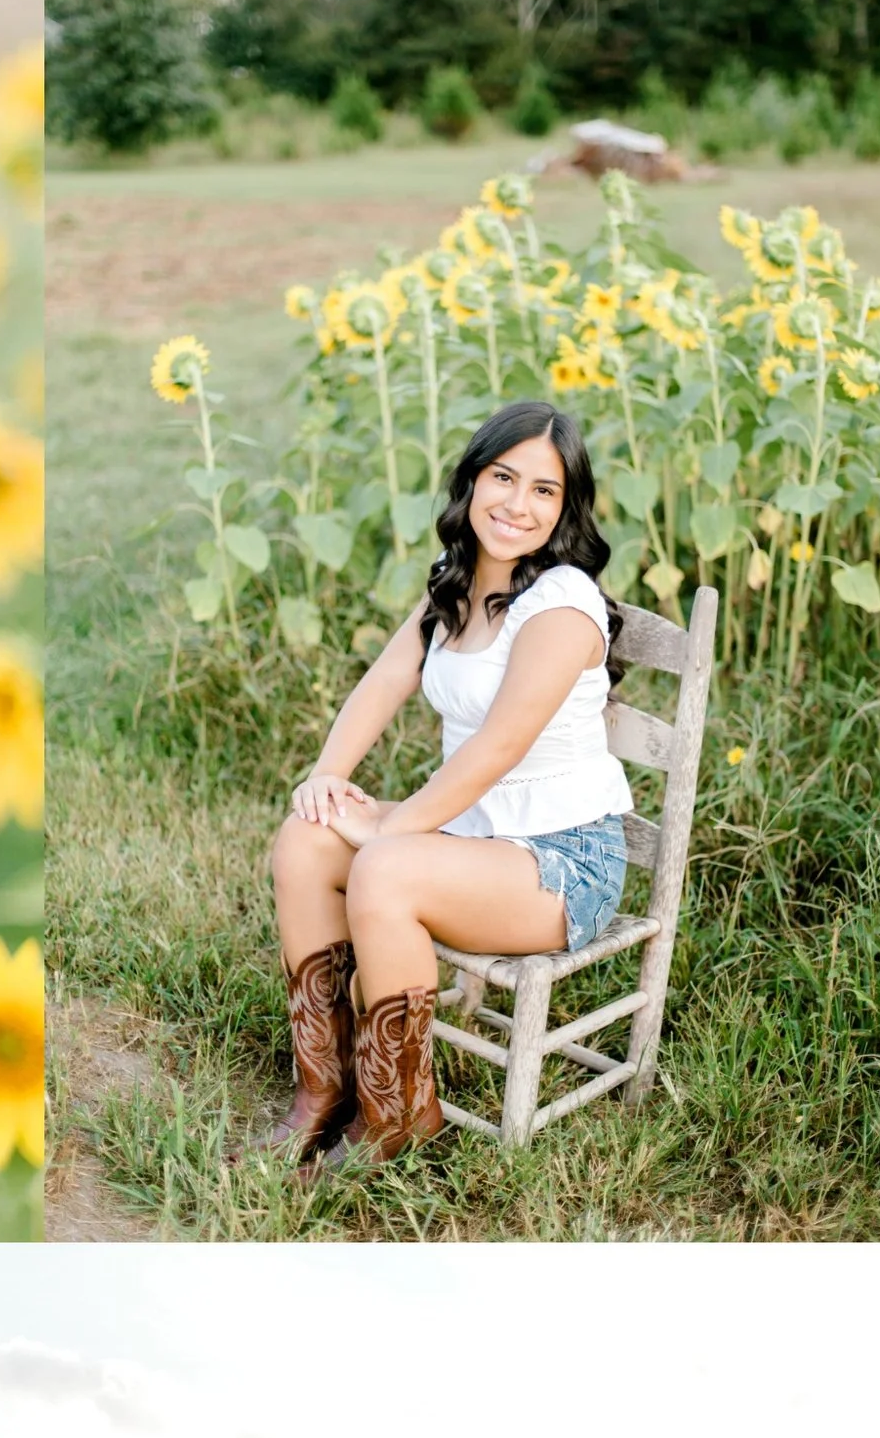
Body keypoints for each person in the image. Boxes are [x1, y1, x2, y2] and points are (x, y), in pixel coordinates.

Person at [260, 400, 634, 1164]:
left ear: (565, 509)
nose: (517, 504)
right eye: (503, 477)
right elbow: (381, 685)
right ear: (471, 482)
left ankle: (397, 1118)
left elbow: (497, 748)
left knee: (385, 867)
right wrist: (327, 779)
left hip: (565, 863)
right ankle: (322, 1092)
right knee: (306, 840)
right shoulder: (456, 586)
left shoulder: (562, 604)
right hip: (473, 838)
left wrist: (390, 828)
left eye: (543, 490)